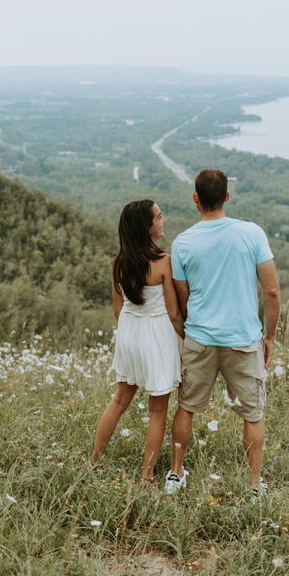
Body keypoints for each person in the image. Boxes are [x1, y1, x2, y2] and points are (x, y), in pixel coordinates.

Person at [167, 168, 280, 500]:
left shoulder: (182, 242)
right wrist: (269, 336)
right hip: (242, 338)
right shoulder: (252, 233)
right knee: (252, 412)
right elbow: (271, 292)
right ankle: (255, 484)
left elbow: (183, 298)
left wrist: (197, 324)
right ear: (227, 196)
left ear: (195, 199)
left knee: (187, 406)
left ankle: (175, 474)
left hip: (200, 336)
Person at [92, 199, 185, 483]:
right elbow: (173, 312)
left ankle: (94, 460)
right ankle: (146, 475)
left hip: (129, 333)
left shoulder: (119, 263)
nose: (163, 221)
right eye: (159, 217)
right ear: (146, 227)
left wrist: (132, 329)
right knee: (158, 409)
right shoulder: (163, 262)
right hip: (157, 335)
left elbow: (117, 310)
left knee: (120, 399)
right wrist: (187, 338)